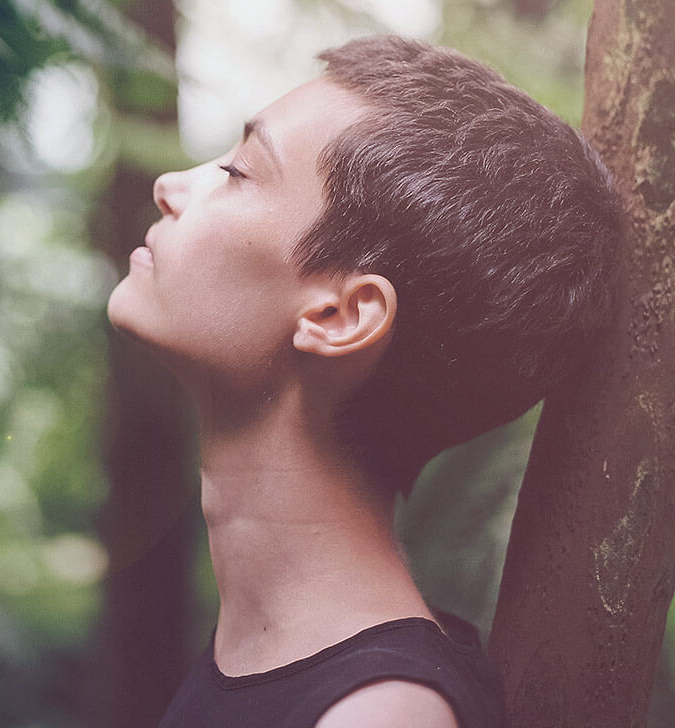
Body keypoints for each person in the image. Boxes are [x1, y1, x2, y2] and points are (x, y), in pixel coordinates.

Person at [106, 35, 620, 728]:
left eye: (238, 171)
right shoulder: (277, 659)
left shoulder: (378, 716)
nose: (171, 187)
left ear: (341, 315)